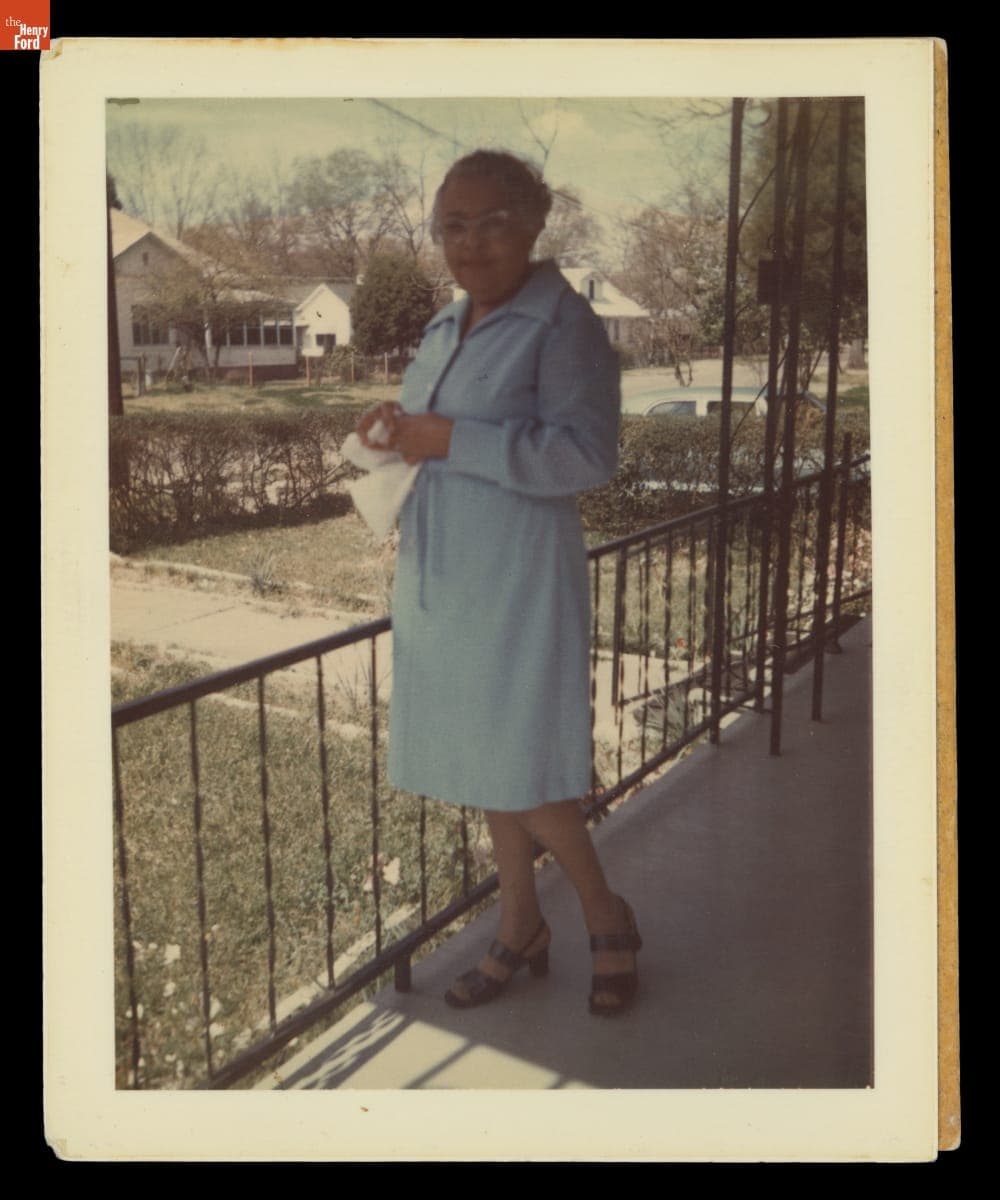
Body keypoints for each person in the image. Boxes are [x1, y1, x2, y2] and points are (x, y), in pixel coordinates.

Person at [356, 150, 641, 1016]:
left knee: (522, 763)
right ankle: (522, 923)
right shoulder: (445, 326)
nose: (470, 244)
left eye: (491, 224)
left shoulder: (563, 324)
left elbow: (588, 456)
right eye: (453, 226)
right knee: (487, 758)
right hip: (443, 571)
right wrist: (395, 427)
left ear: (533, 225)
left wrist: (452, 440)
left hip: (518, 576)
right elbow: (433, 427)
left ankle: (604, 912)